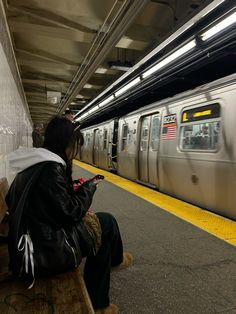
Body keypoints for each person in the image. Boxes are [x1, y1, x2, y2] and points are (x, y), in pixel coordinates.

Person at [6, 116, 132, 314]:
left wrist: (71, 190)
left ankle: (107, 284)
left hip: (33, 239)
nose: (74, 151)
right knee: (105, 225)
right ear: (65, 144)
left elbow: (37, 201)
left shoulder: (33, 163)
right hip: (43, 251)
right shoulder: (51, 168)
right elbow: (71, 213)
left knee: (100, 227)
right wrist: (88, 188)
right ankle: (100, 300)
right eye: (74, 145)